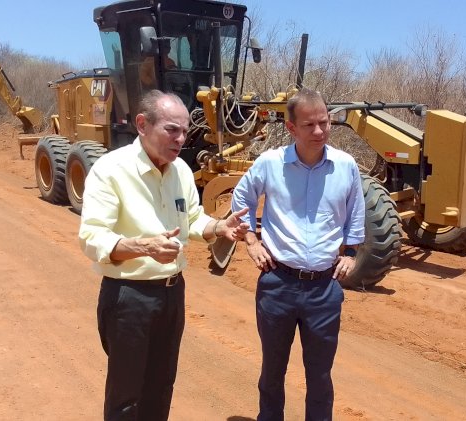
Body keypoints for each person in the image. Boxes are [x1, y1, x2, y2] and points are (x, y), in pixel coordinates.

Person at [78, 90, 249, 421]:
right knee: (127, 396)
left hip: (172, 294)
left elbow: (192, 219)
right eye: (172, 129)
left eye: (185, 131)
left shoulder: (181, 171)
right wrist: (145, 247)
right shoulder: (110, 170)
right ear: (142, 124)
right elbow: (92, 237)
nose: (181, 139)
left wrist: (218, 227)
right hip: (129, 298)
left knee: (160, 387)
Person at [231, 88, 365, 421]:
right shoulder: (270, 164)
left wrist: (351, 252)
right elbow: (241, 198)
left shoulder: (345, 166)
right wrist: (251, 240)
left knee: (320, 376)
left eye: (324, 122)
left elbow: (356, 212)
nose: (319, 131)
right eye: (309, 125)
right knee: (272, 371)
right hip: (278, 284)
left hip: (324, 289)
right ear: (291, 129)